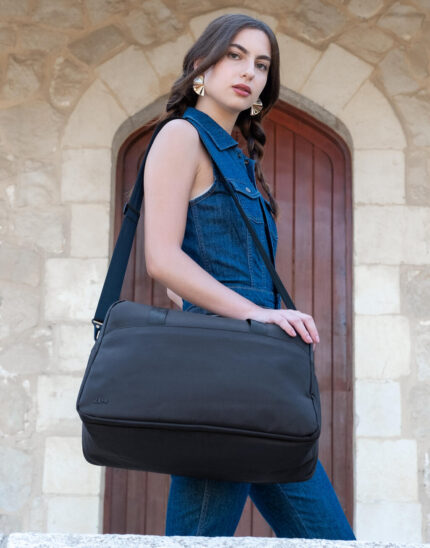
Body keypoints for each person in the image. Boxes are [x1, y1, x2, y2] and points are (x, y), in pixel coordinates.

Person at [142, 12, 356, 541]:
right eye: (235, 56)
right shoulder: (181, 135)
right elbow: (162, 260)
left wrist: (227, 307)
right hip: (220, 375)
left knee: (329, 537)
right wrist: (254, 313)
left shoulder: (236, 156)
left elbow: (190, 272)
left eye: (261, 65)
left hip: (257, 371)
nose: (249, 72)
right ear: (201, 65)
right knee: (199, 537)